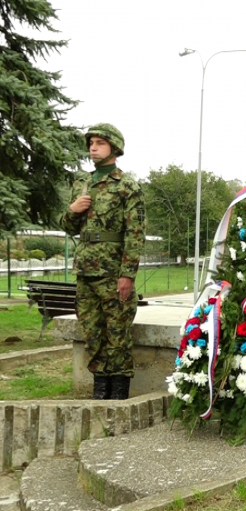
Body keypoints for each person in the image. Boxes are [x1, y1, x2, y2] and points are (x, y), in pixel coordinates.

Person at [59, 124, 145, 400]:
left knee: (117, 332)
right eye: (91, 143)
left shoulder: (127, 187)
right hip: (86, 271)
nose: (93, 147)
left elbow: (135, 234)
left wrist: (127, 275)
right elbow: (68, 227)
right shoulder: (81, 184)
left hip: (112, 272)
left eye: (100, 143)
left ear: (114, 148)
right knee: (93, 332)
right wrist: (72, 211)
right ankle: (100, 390)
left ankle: (118, 394)